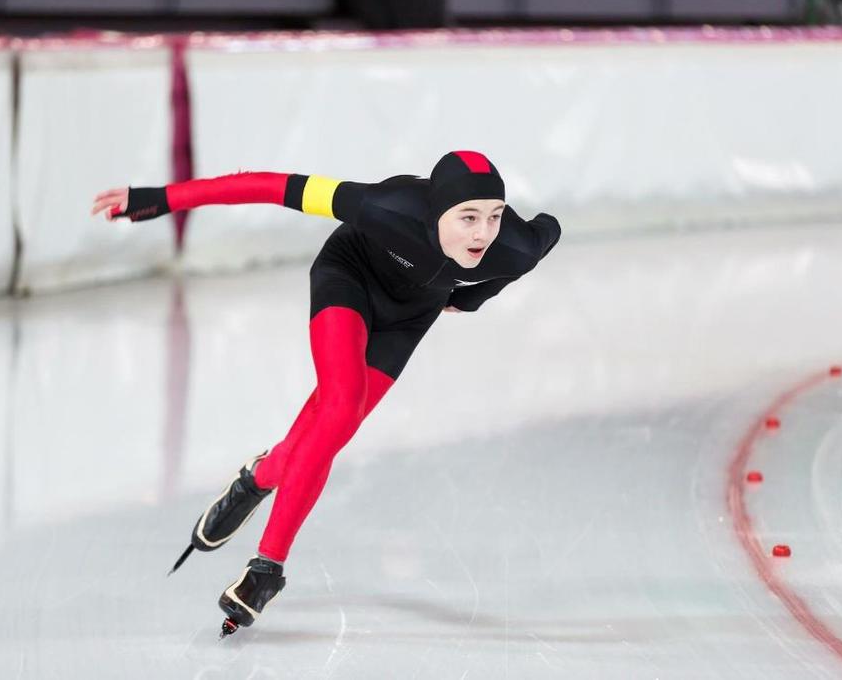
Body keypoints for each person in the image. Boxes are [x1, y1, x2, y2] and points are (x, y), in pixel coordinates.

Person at [90, 150, 561, 637]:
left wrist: (473, 297)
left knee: (328, 433)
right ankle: (266, 570)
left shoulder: (514, 246)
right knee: (339, 408)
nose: (483, 234)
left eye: (494, 216)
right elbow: (270, 185)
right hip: (349, 278)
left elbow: (548, 234)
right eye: (467, 218)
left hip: (408, 317)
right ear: (435, 212)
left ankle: (259, 478)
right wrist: (160, 198)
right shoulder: (384, 206)